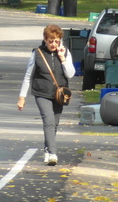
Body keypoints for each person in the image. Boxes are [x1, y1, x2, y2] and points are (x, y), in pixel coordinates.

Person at [17, 24, 75, 166]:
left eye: (56, 41)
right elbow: (28, 75)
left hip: (59, 95)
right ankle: (53, 153)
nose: (53, 44)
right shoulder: (37, 53)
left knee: (54, 124)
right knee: (48, 121)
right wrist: (22, 97)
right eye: (50, 41)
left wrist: (62, 58)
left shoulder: (65, 52)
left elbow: (71, 74)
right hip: (42, 93)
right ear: (45, 39)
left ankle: (48, 150)